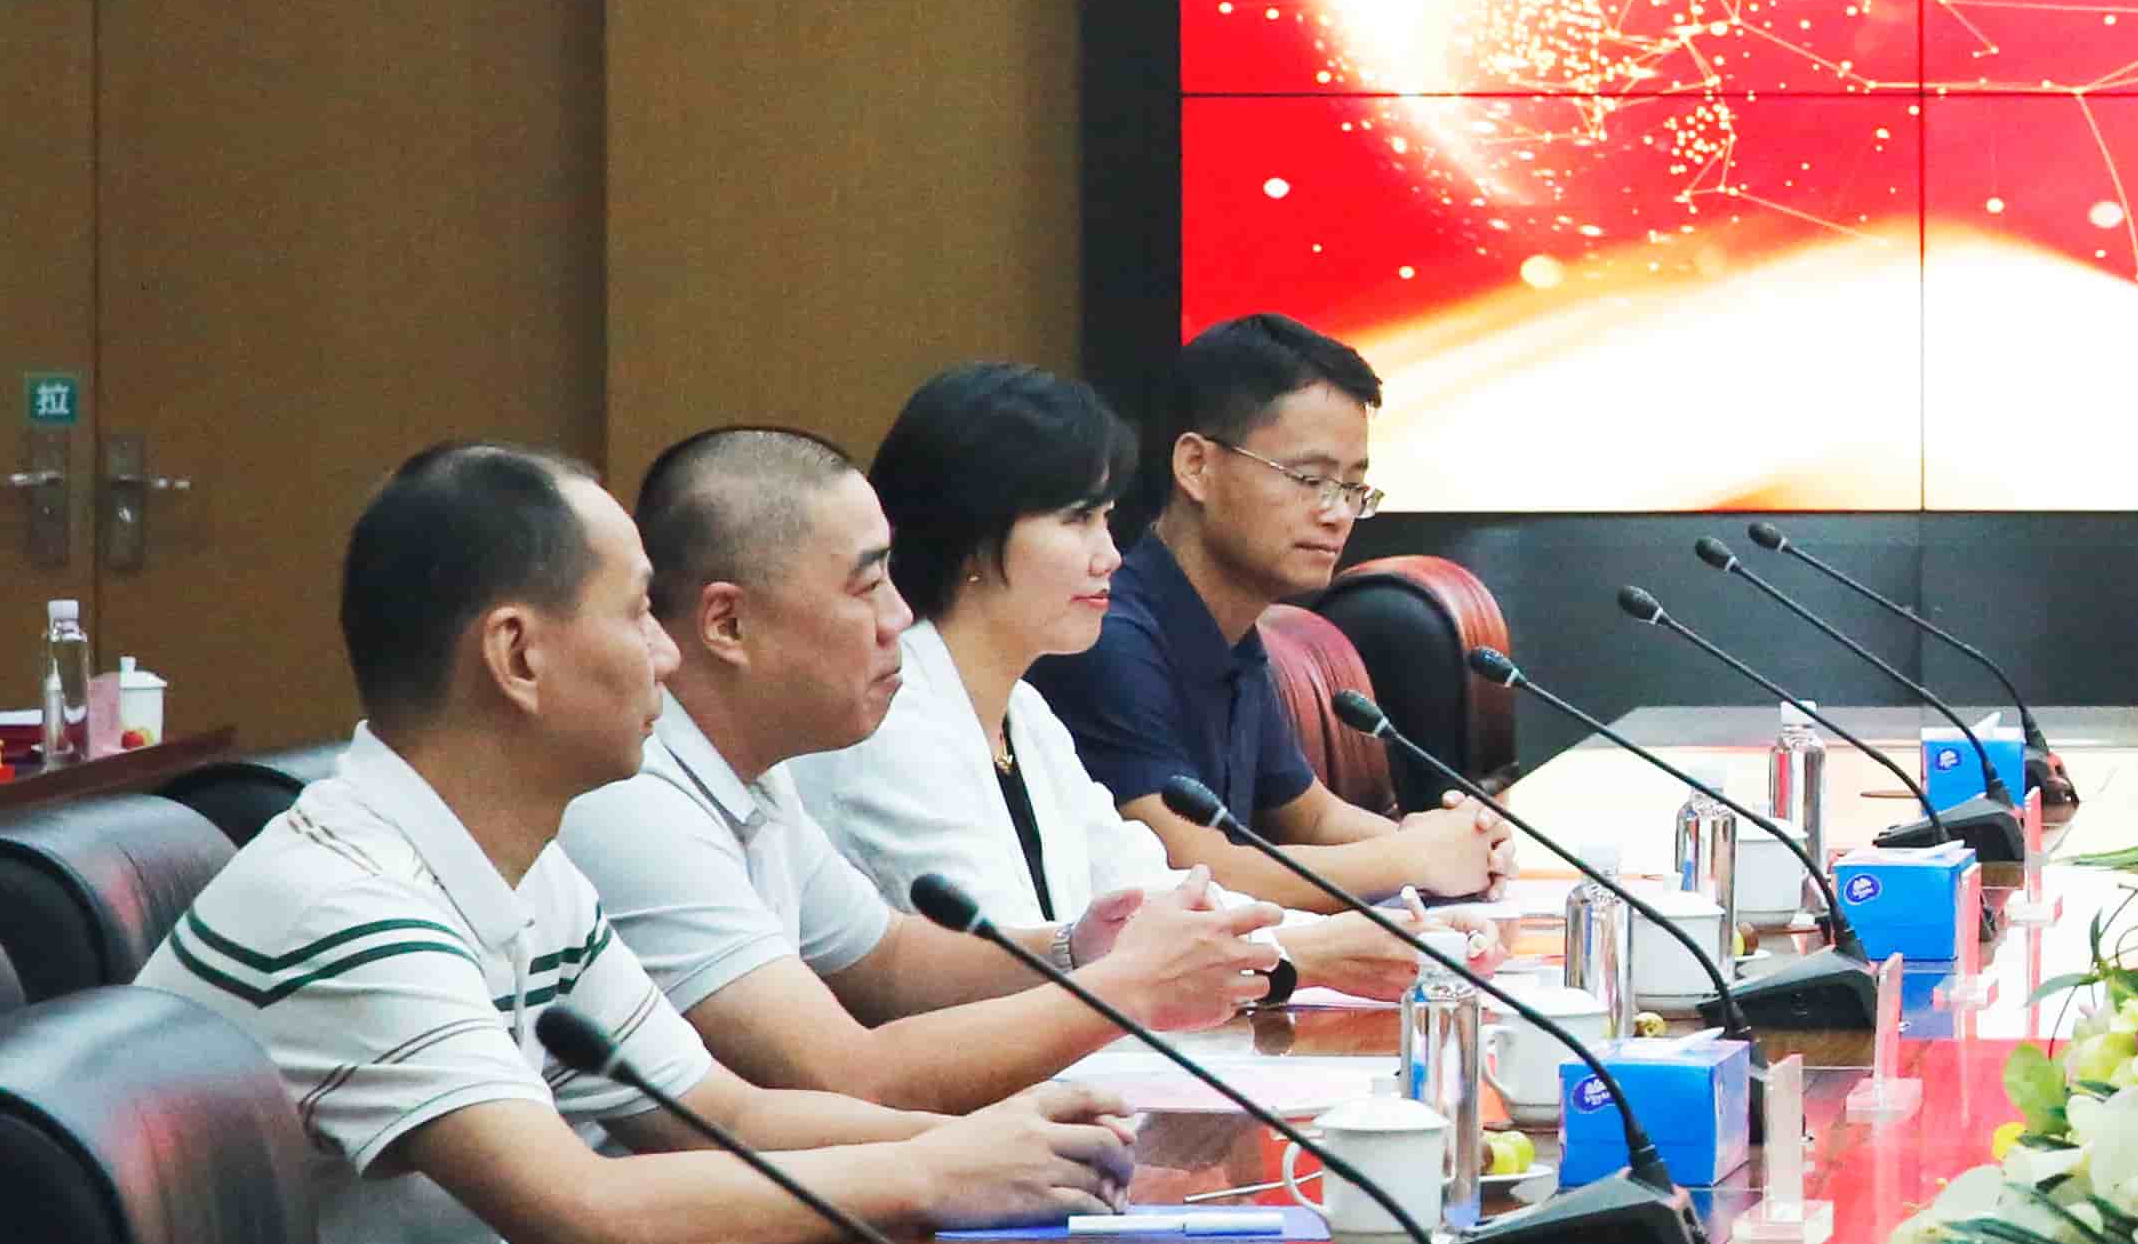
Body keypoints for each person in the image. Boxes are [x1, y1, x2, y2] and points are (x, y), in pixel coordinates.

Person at [143, 444, 1133, 1244]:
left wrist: (1004, 1146)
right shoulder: (350, 903)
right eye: (635, 615)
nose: (666, 653)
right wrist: (933, 1171)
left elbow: (725, 1113)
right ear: (518, 656)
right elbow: (578, 1217)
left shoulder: (524, 869)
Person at [559, 427, 1283, 1112]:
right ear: (728, 623)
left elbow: (888, 958)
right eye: (867, 586)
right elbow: (846, 1072)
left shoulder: (754, 772)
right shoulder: (635, 801)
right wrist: (1128, 987)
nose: (899, 616)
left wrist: (1078, 948)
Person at [802, 363, 1433, 988]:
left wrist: (1378, 939)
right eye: (1077, 520)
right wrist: (1305, 956)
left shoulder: (1025, 712)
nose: (1108, 555)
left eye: (1105, 519)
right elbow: (1012, 967)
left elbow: (1146, 890)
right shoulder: (890, 719)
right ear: (971, 531)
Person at [1036, 312, 1499, 913]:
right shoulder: (1108, 636)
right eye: (1309, 479)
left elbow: (1312, 816)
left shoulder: (1231, 627)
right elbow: (1195, 870)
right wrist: (1413, 858)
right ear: (1196, 466)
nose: (1337, 514)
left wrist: (1455, 843)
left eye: (1353, 488)